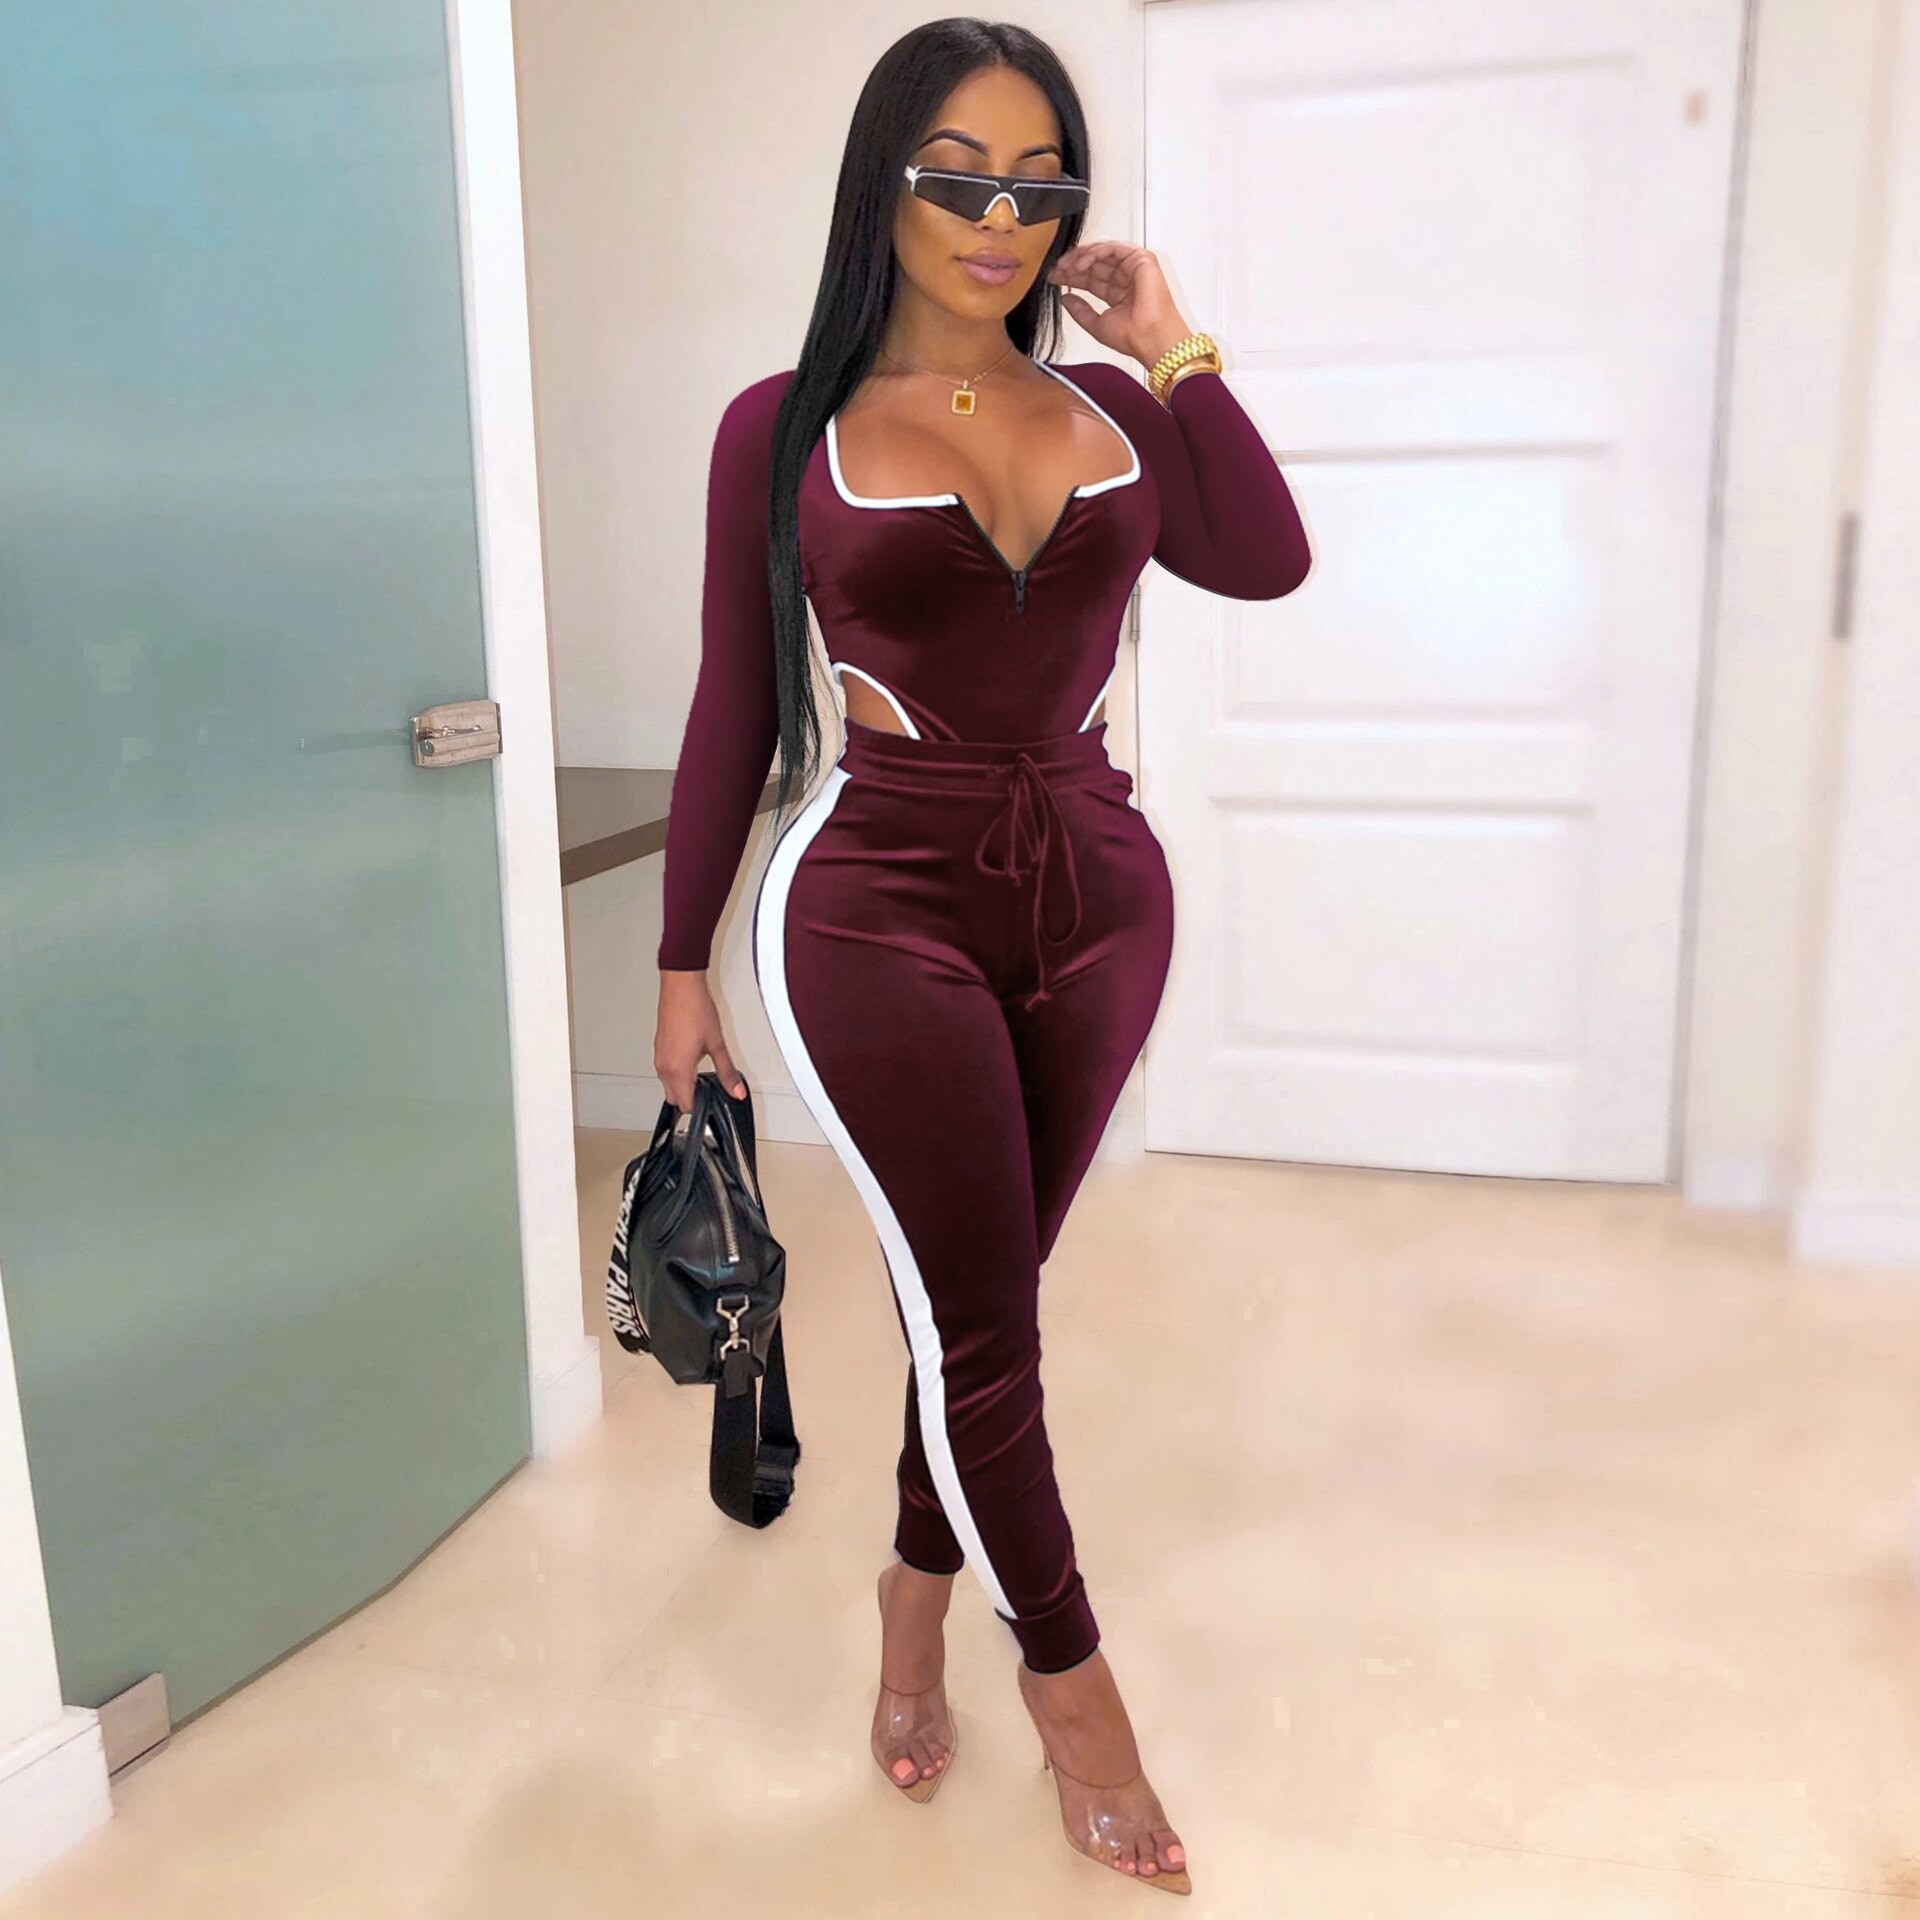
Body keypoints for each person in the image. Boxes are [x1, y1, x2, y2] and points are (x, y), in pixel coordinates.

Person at [652, 18, 1310, 1894]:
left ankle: (913, 1589)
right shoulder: (781, 427)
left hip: (1100, 900)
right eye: (955, 175)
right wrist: (683, 963)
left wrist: (1171, 343)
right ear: (882, 183)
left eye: (1040, 185)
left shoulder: (1115, 415)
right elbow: (732, 704)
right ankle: (1079, 1704)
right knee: (991, 1335)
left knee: (977, 1304)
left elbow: (1265, 557)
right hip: (877, 903)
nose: (998, 217)